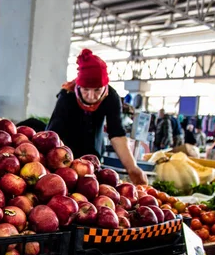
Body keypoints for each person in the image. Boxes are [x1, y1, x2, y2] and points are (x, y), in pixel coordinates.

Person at [46, 49, 147, 185]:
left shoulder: (111, 97)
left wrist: (132, 168)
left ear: (105, 86)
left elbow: (116, 133)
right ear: (79, 85)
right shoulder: (67, 96)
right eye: (86, 89)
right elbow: (54, 134)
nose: (91, 96)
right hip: (64, 159)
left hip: (93, 158)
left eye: (97, 90)